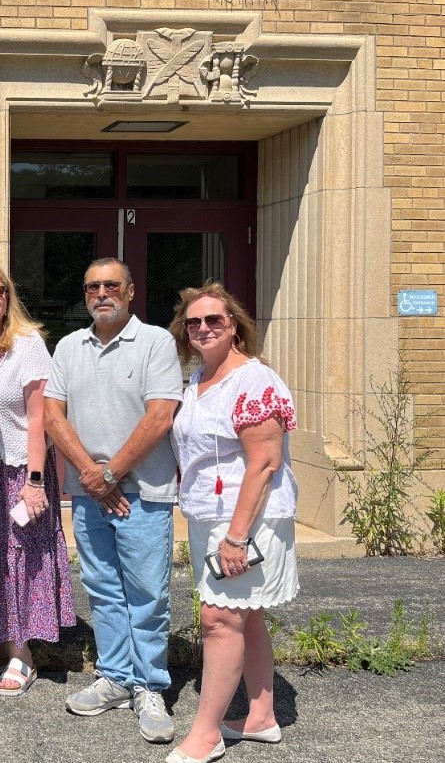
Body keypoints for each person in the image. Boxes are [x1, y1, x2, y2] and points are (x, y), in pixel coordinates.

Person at [43, 257, 182, 745]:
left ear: (130, 292)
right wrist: (93, 477)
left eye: (111, 286)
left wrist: (110, 473)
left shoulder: (156, 343)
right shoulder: (68, 347)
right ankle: (116, 676)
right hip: (88, 493)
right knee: (103, 588)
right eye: (92, 287)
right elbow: (53, 417)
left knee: (147, 593)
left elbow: (160, 415)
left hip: (143, 492)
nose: (101, 294)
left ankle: (149, 686)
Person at [164, 283, 299, 763]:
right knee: (249, 615)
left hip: (246, 520)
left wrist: (237, 537)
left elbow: (263, 464)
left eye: (214, 320)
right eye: (193, 322)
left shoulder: (254, 381)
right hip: (211, 517)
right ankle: (261, 718)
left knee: (219, 620)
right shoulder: (198, 378)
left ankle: (205, 734)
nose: (202, 328)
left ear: (235, 326)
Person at [0, 263, 76, 697]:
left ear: (8, 298)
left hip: (21, 468)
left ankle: (22, 652)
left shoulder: (27, 345)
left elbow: (39, 416)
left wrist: (37, 480)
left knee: (20, 556)